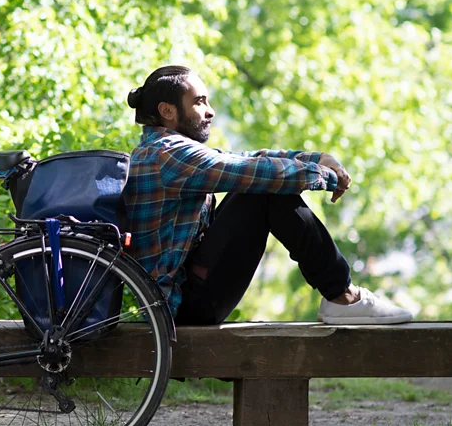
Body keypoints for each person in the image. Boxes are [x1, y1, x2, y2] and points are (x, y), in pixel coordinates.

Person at [123, 65, 412, 325]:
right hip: (183, 308)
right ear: (168, 111)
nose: (210, 110)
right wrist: (323, 175)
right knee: (264, 191)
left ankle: (341, 296)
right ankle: (343, 296)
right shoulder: (170, 155)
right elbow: (255, 171)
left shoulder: (164, 151)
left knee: (257, 185)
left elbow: (244, 159)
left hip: (182, 297)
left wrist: (315, 158)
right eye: (199, 102)